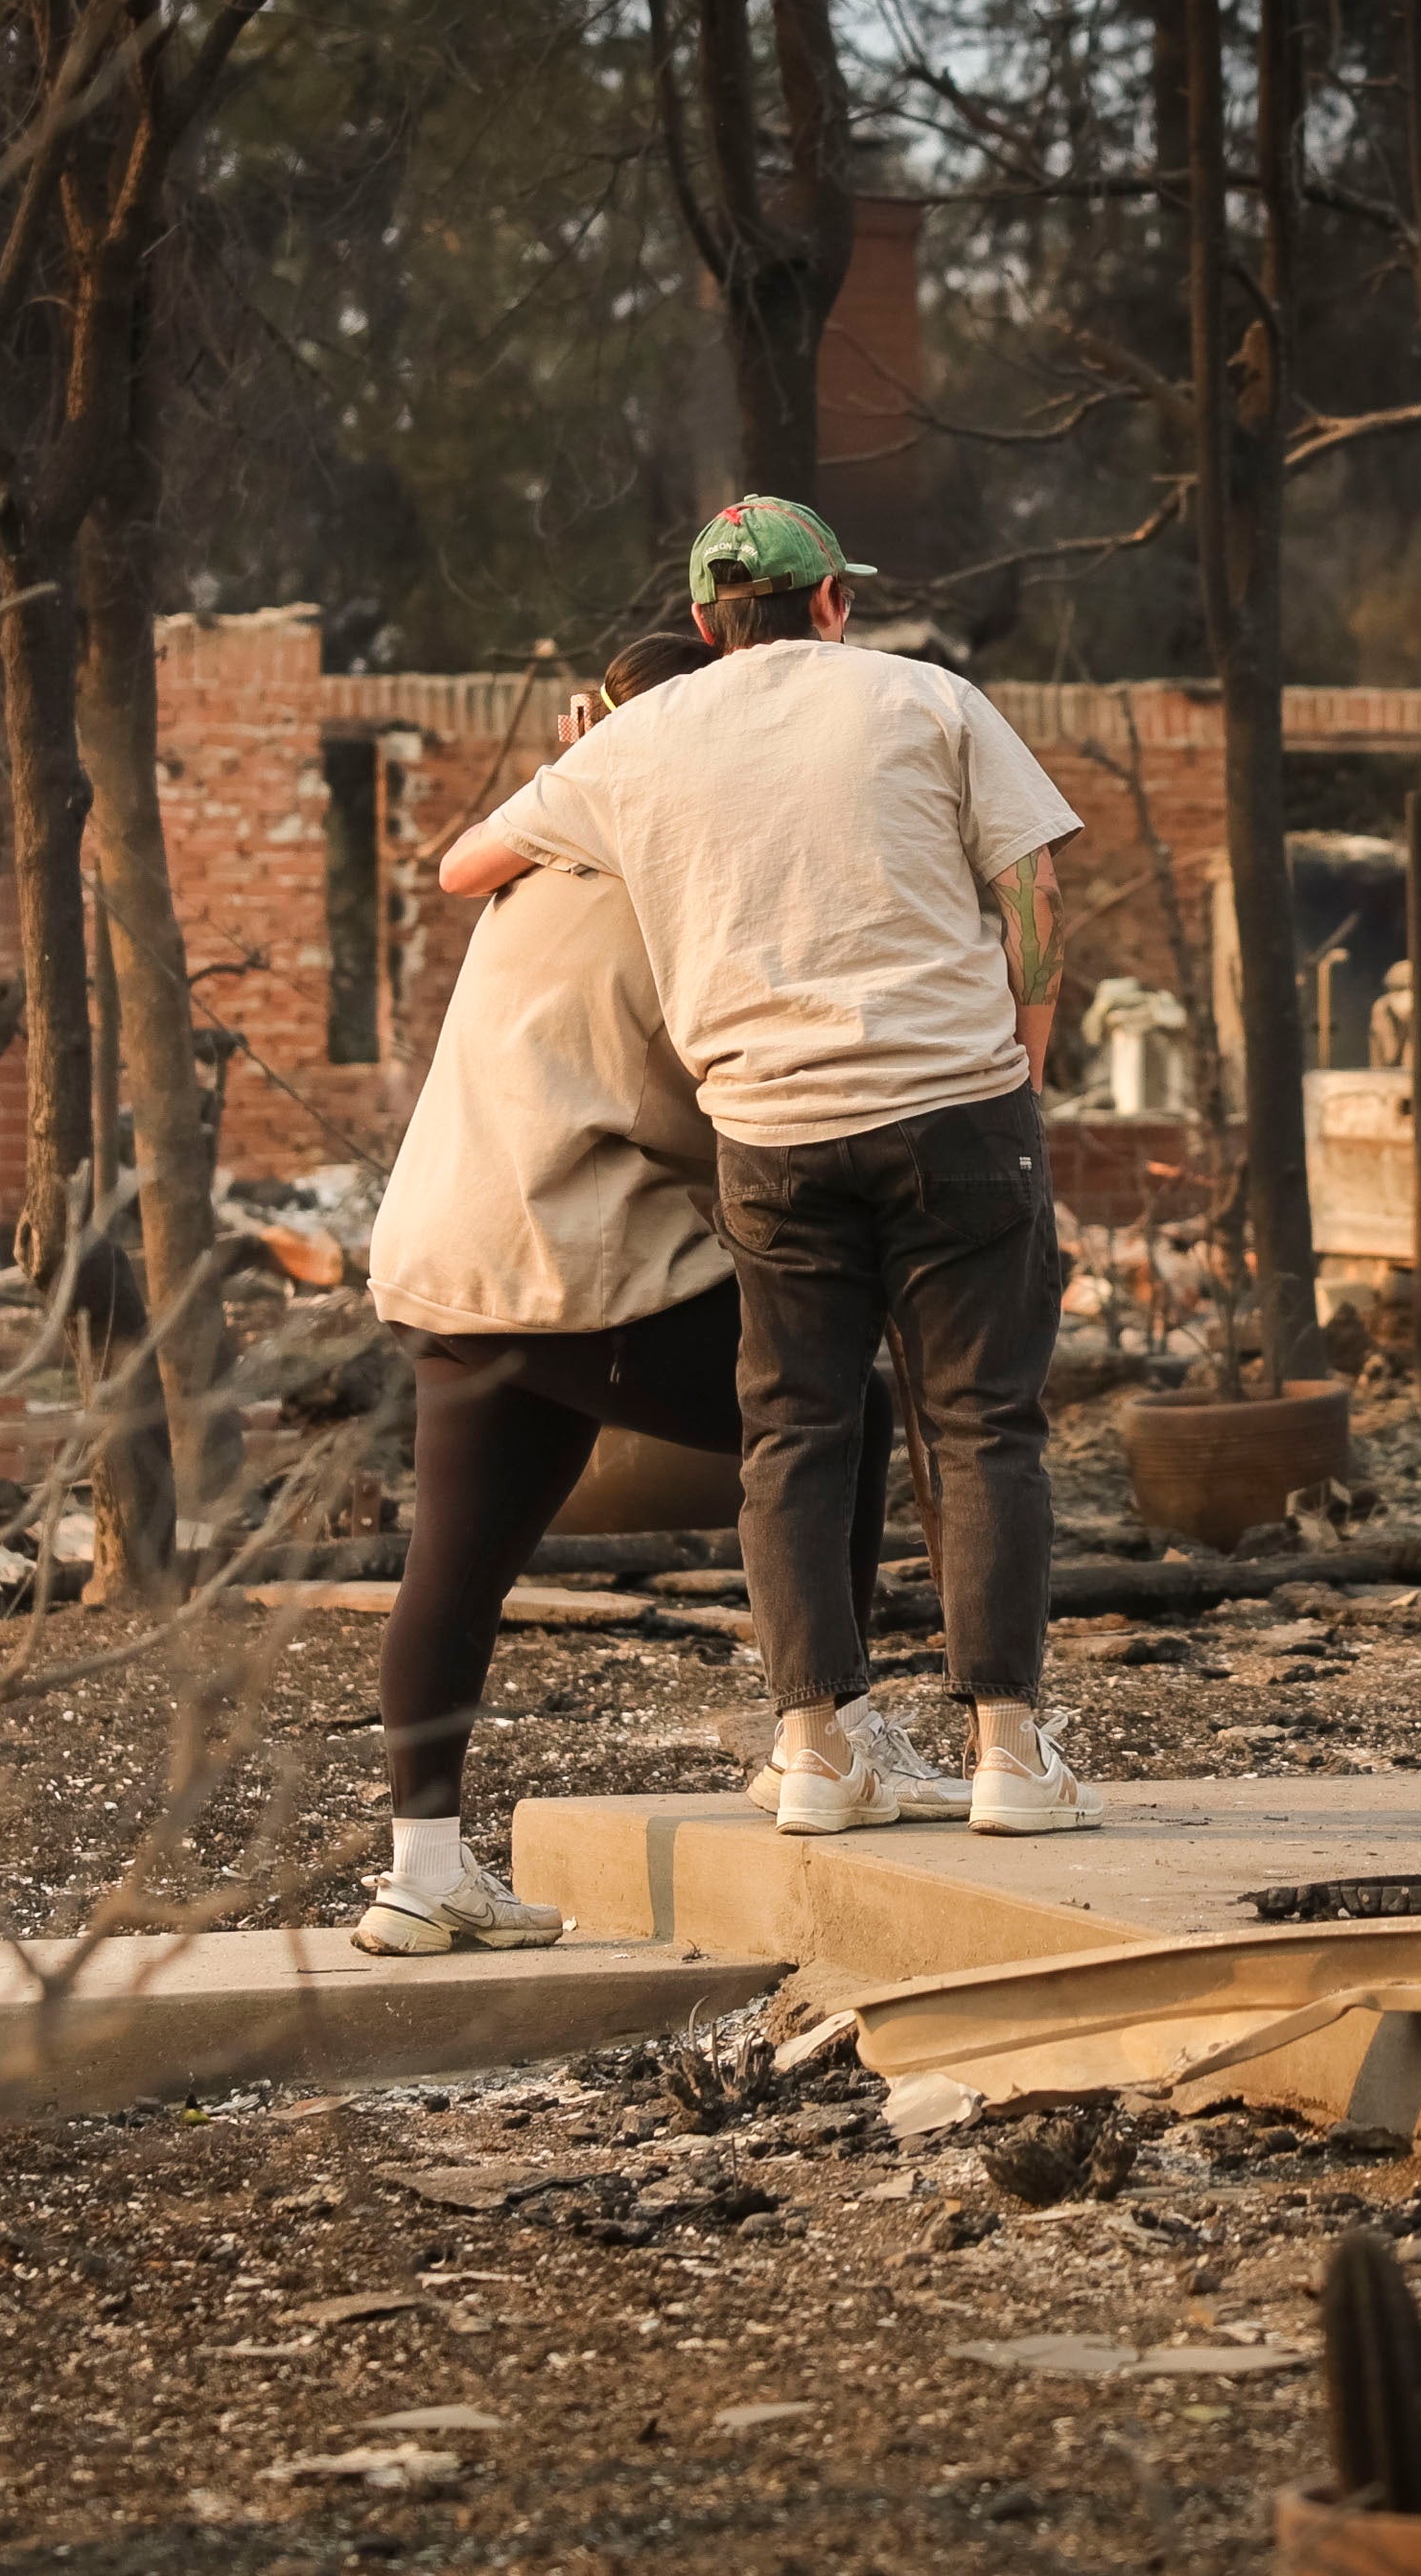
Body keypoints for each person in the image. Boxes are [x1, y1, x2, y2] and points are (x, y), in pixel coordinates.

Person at [436, 496, 1096, 1837]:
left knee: (796, 1428)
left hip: (775, 1133)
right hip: (957, 1107)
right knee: (982, 1426)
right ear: (834, 601)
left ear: (701, 622)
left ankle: (813, 1748)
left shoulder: (645, 739)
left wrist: (589, 772)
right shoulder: (929, 699)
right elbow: (1032, 891)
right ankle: (1008, 1755)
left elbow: (462, 867)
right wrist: (1022, 1067)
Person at [349, 628, 947, 1957]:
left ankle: (423, 1871)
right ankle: (827, 1735)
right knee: (830, 1403)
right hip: (572, 1253)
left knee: (456, 1560)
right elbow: (742, 1085)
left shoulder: (548, 851)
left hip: (451, 1253)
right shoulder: (681, 869)